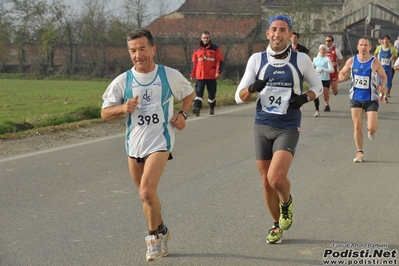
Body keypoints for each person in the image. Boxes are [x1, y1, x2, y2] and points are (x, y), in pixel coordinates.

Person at [101, 29, 195, 262]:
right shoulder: (123, 81)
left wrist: (183, 114)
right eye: (133, 50)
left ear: (153, 49)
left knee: (146, 191)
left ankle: (154, 240)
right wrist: (123, 108)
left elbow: (189, 94)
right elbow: (104, 113)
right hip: (134, 144)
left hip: (160, 140)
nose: (138, 55)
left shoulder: (168, 75)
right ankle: (161, 229)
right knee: (146, 198)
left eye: (142, 49)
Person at [235, 14, 322, 244]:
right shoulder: (257, 59)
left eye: (283, 30)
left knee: (275, 178)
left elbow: (317, 86)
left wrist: (303, 99)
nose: (277, 34)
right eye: (274, 29)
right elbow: (239, 96)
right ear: (267, 33)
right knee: (265, 181)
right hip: (262, 125)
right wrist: (253, 87)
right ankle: (276, 226)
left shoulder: (301, 59)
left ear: (289, 34)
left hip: (288, 126)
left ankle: (286, 201)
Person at [338, 37, 387, 163]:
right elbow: (342, 72)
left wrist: (382, 85)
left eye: (366, 45)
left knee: (371, 128)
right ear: (357, 47)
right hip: (356, 98)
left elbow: (383, 76)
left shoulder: (374, 62)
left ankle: (371, 129)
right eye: (361, 45)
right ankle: (359, 152)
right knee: (357, 126)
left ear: (370, 47)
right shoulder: (351, 60)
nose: (363, 47)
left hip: (371, 98)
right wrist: (342, 76)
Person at [190, 31, 224, 116]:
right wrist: (192, 74)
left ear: (210, 38)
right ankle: (197, 108)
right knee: (198, 93)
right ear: (201, 38)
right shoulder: (197, 50)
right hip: (200, 76)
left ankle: (211, 107)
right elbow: (194, 63)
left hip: (211, 76)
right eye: (204, 38)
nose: (205, 39)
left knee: (211, 94)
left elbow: (219, 61)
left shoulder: (215, 49)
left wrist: (218, 72)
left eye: (207, 38)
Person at [374, 35, 397, 102]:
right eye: (384, 39)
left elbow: (396, 56)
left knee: (388, 83)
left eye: (387, 39)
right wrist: (376, 60)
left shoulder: (392, 48)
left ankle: (385, 96)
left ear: (389, 40)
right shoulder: (379, 47)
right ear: (382, 40)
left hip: (388, 69)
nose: (385, 41)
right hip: (380, 69)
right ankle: (381, 94)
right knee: (379, 83)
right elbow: (375, 53)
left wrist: (393, 58)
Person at [312, 44, 334, 117]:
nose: (322, 51)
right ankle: (317, 111)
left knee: (325, 97)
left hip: (325, 79)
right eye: (321, 49)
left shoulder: (327, 59)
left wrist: (322, 70)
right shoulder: (315, 59)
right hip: (317, 79)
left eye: (324, 49)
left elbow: (332, 70)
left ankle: (327, 104)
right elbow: (312, 68)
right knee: (316, 95)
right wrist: (314, 70)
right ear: (319, 50)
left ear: (326, 51)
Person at [325, 35, 344, 111]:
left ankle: (334, 90)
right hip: (325, 74)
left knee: (334, 91)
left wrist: (336, 63)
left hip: (334, 72)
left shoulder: (336, 50)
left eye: (329, 41)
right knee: (325, 91)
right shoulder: (322, 50)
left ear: (332, 42)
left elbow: (341, 60)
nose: (327, 42)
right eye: (326, 41)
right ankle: (327, 105)